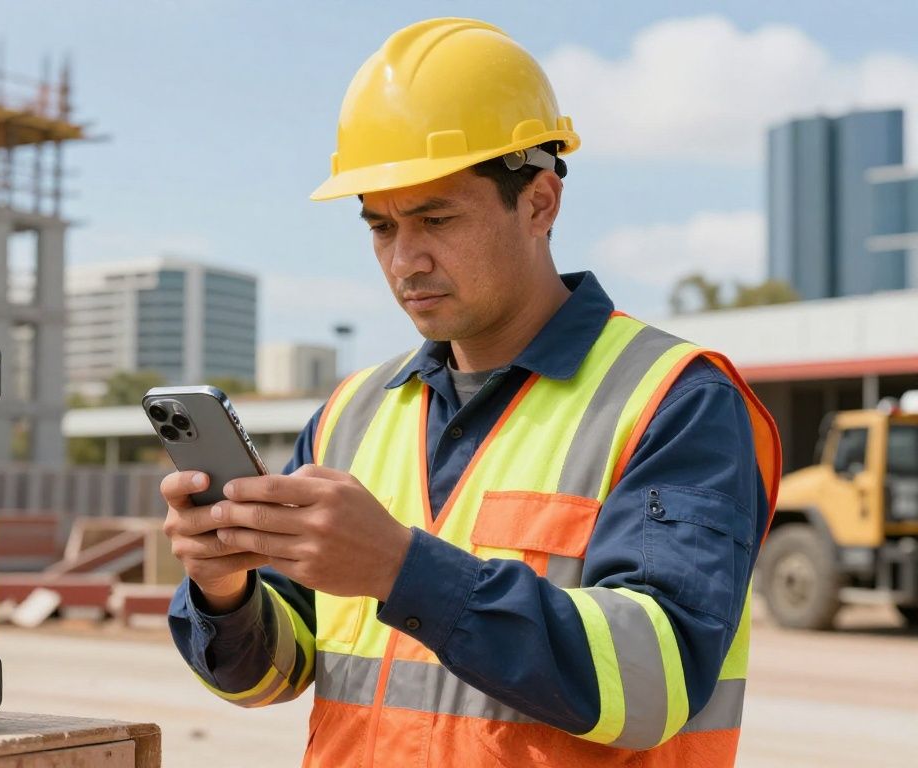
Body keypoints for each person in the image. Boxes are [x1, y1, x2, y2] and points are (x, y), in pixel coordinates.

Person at [162, 17, 780, 767]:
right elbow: (271, 675)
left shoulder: (674, 402)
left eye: (436, 218)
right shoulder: (351, 415)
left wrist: (400, 568)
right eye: (382, 227)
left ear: (539, 204)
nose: (405, 260)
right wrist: (223, 589)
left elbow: (653, 683)